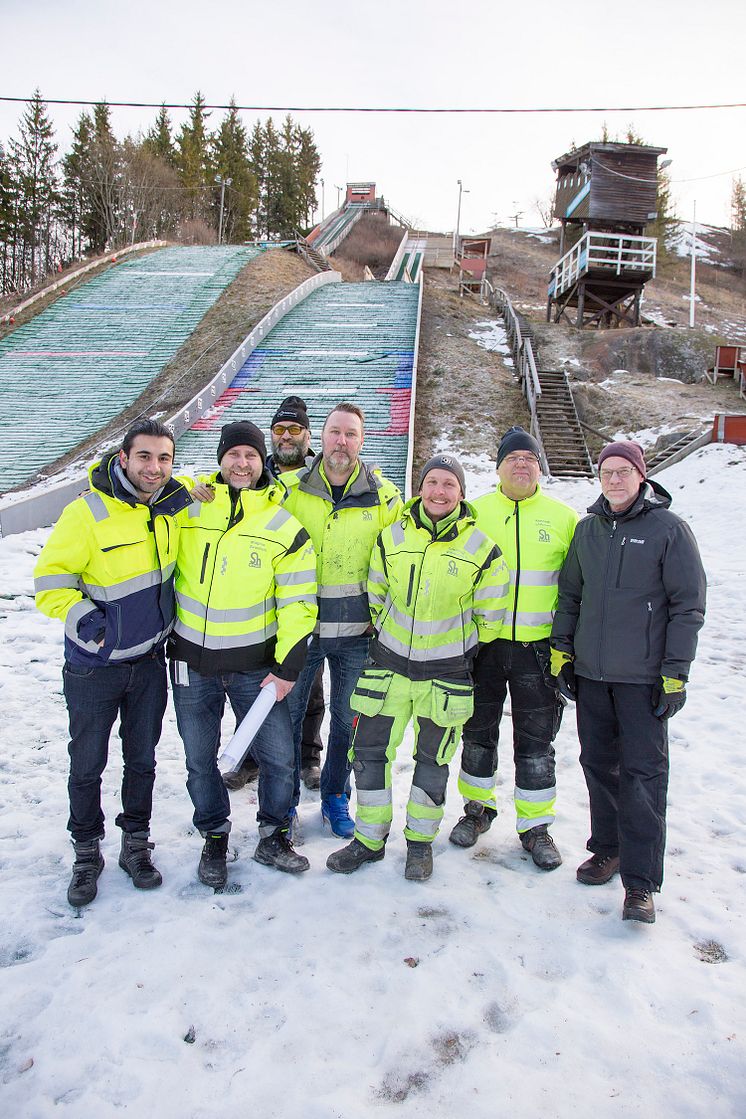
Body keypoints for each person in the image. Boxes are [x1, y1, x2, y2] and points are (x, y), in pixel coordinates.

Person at [34, 419, 194, 907]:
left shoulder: (174, 505)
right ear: (123, 458)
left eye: (164, 458)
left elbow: (209, 488)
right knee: (87, 764)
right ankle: (86, 853)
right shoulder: (86, 513)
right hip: (94, 667)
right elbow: (50, 582)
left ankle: (135, 845)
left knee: (141, 761)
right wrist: (95, 628)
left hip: (148, 663)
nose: (155, 467)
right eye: (144, 457)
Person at [326, 454, 509, 880]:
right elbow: (376, 591)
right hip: (388, 668)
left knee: (433, 762)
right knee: (369, 755)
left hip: (445, 676)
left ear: (461, 494)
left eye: (449, 484)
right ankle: (369, 840)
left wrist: (455, 645)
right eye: (432, 482)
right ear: (420, 488)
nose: (439, 491)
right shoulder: (392, 537)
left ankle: (419, 844)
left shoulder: (482, 548)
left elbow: (490, 616)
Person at [551, 440, 706, 924]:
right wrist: (562, 651)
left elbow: (687, 606)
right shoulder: (588, 530)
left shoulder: (669, 530)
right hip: (593, 675)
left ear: (641, 476)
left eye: (623, 472)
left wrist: (675, 672)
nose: (614, 480)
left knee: (643, 776)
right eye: (606, 472)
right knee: (598, 764)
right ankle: (608, 849)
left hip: (643, 679)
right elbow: (571, 594)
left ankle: (640, 883)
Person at [170, 419, 317, 887]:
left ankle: (274, 835)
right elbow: (131, 491)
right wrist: (180, 495)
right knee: (199, 758)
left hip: (257, 669)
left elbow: (299, 602)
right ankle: (214, 835)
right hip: (193, 664)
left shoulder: (282, 525)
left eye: (251, 455)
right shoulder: (189, 510)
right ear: (220, 458)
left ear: (262, 462)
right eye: (233, 454)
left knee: (278, 757)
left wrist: (288, 665)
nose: (242, 463)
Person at [450, 426, 578, 870]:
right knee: (477, 733)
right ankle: (477, 811)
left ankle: (536, 826)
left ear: (539, 466)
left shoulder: (563, 518)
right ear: (499, 466)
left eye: (529, 458)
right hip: (483, 646)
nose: (521, 464)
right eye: (512, 459)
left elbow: (574, 590)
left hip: (537, 649)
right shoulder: (475, 512)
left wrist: (567, 646)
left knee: (537, 742)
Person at [282, 402, 403, 838]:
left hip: (357, 635)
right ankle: (286, 802)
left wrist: (382, 621)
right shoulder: (289, 490)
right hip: (302, 632)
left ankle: (336, 794)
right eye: (335, 431)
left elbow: (397, 564)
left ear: (362, 441)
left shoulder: (385, 496)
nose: (342, 441)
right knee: (290, 718)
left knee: (347, 721)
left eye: (351, 434)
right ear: (321, 437)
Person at [266, 394, 326, 793]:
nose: (286, 437)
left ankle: (308, 756)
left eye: (295, 430)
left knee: (309, 680)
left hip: (309, 595)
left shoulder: (324, 476)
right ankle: (257, 756)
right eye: (279, 430)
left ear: (307, 435)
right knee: (257, 682)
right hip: (259, 596)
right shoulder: (254, 472)